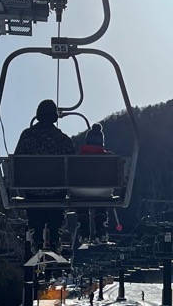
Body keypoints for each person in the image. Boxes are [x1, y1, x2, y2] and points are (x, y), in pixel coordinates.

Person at [14, 100, 75, 250]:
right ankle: (55, 235)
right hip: (57, 192)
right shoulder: (63, 140)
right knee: (56, 206)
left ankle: (37, 236)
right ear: (55, 117)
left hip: (33, 192)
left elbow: (17, 162)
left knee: (35, 208)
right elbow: (74, 167)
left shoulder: (27, 136)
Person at [76, 123, 112, 242]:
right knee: (101, 197)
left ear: (86, 141)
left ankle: (83, 227)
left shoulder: (76, 158)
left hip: (80, 192)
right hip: (102, 192)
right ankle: (101, 227)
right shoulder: (109, 158)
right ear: (102, 142)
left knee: (81, 195)